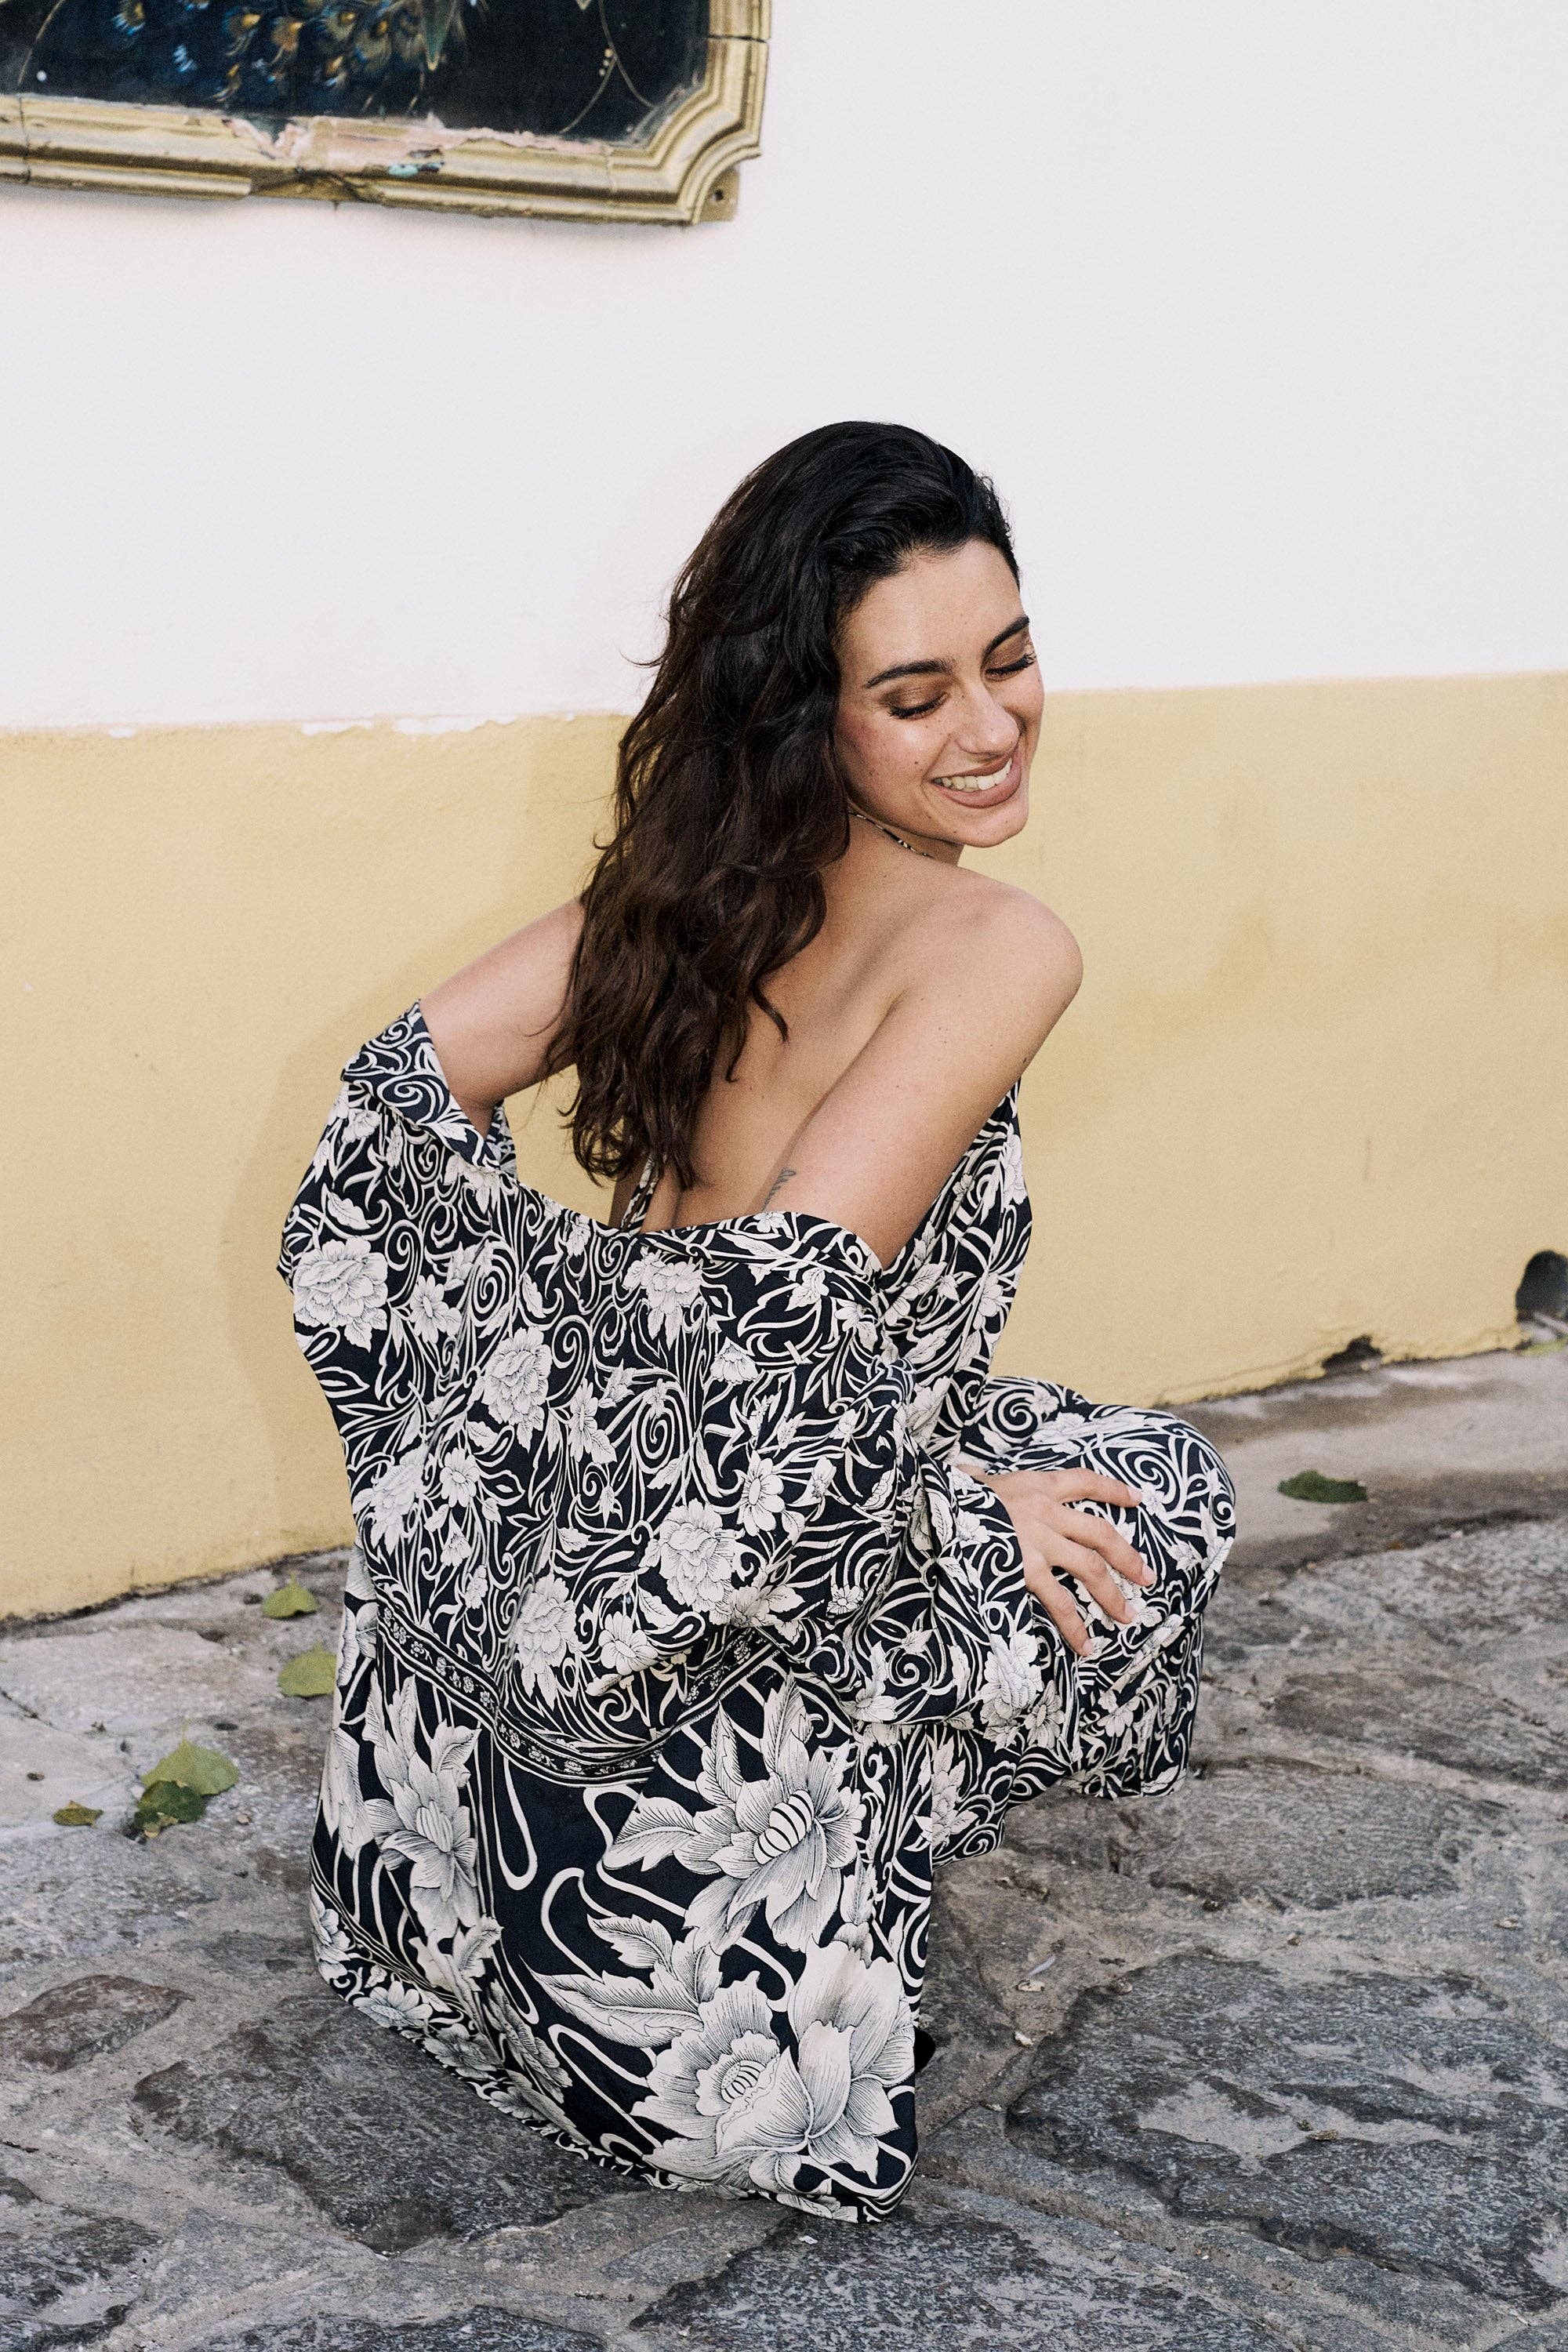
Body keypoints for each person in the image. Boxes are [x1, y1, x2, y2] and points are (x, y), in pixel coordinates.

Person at [278, 421, 1235, 2223]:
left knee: (1021, 1439)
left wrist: (506, 1395)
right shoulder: (1000, 946)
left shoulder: (690, 890)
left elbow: (397, 1095)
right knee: (1153, 1500)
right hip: (701, 1775)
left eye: (1011, 658)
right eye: (917, 694)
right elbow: (778, 1325)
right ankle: (837, 1867)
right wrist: (949, 1497)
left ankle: (744, 1819)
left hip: (509, 1751)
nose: (992, 725)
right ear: (809, 711)